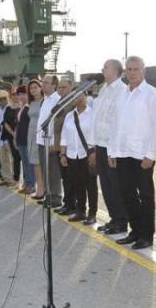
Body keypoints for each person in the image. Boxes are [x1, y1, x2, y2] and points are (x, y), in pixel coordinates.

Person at [109, 55, 156, 250]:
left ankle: (147, 235)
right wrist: (112, 151)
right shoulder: (121, 95)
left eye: (135, 69)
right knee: (127, 193)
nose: (132, 73)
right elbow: (115, 125)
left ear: (144, 71)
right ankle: (135, 230)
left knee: (146, 195)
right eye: (129, 69)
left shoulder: (153, 95)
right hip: (123, 152)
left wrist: (151, 154)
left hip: (142, 154)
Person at [91, 59, 128, 235]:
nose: (102, 70)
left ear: (115, 70)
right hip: (100, 144)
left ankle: (121, 221)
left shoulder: (121, 91)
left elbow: (118, 122)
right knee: (105, 184)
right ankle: (114, 218)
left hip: (112, 146)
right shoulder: (104, 90)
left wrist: (113, 150)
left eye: (105, 67)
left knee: (116, 185)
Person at [60, 93, 98, 224]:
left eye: (80, 95)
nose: (77, 98)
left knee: (90, 185)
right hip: (72, 154)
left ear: (85, 96)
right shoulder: (69, 116)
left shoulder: (93, 114)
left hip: (88, 154)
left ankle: (92, 214)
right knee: (77, 184)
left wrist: (94, 153)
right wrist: (63, 154)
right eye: (74, 96)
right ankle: (80, 211)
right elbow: (64, 136)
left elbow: (97, 134)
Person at [36, 75, 63, 208]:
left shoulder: (57, 100)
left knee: (53, 171)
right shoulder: (45, 100)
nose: (43, 85)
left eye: (46, 83)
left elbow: (57, 124)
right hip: (41, 140)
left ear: (54, 85)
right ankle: (48, 195)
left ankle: (56, 197)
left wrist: (54, 143)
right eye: (43, 82)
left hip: (50, 142)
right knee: (45, 170)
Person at [54, 78, 74, 215]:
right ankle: (67, 203)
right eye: (59, 87)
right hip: (59, 145)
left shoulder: (72, 102)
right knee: (65, 178)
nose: (61, 90)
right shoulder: (60, 101)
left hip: (68, 145)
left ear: (71, 88)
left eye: (64, 87)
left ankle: (71, 205)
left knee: (71, 178)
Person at [14, 86, 36, 194]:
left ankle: (31, 185)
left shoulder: (30, 107)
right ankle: (27, 183)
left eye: (23, 94)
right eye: (19, 94)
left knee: (29, 163)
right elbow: (19, 125)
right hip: (21, 138)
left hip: (28, 139)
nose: (21, 96)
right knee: (25, 163)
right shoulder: (22, 107)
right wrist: (16, 138)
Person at [0, 90, 16, 187]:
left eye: (4, 99)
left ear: (8, 98)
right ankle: (6, 178)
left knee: (13, 159)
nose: (2, 101)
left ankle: (14, 180)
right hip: (0, 138)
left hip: (9, 137)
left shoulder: (11, 108)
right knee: (4, 159)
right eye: (0, 99)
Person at [27, 80, 44, 199]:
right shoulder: (32, 102)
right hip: (31, 134)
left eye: (35, 87)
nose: (33, 90)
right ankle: (39, 189)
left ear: (40, 87)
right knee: (35, 163)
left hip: (41, 135)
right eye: (31, 88)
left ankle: (42, 190)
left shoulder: (45, 101)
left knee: (40, 163)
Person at [3, 92, 21, 184]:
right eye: (12, 95)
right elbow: (5, 122)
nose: (15, 96)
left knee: (25, 159)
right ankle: (16, 178)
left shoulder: (23, 107)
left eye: (16, 94)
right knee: (15, 157)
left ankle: (28, 182)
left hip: (22, 135)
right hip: (11, 136)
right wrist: (13, 133)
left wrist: (17, 133)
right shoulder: (8, 108)